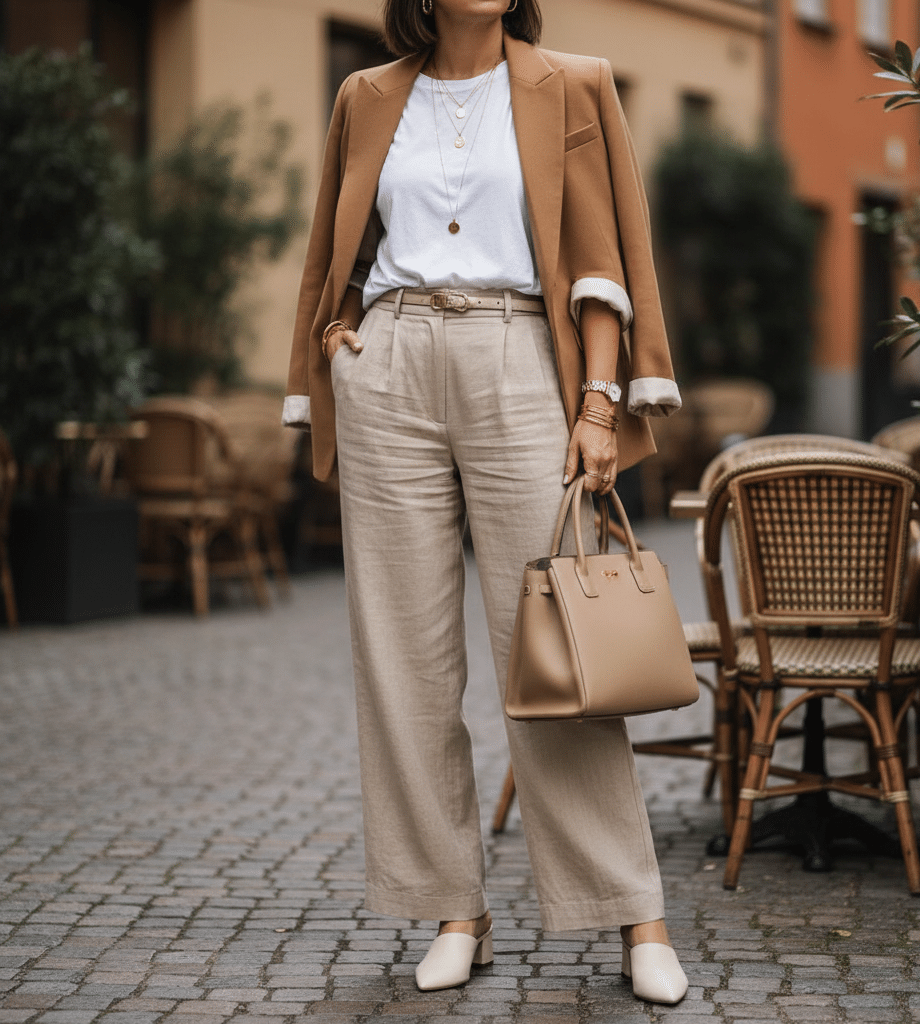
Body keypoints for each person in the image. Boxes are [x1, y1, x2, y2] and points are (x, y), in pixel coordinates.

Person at [283, 0, 686, 1005]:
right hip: (393, 362)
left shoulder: (572, 82)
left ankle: (636, 912)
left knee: (555, 643)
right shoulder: (366, 94)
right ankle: (454, 906)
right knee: (402, 657)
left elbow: (601, 263)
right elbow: (332, 239)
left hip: (519, 358)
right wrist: (340, 340)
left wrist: (597, 402)